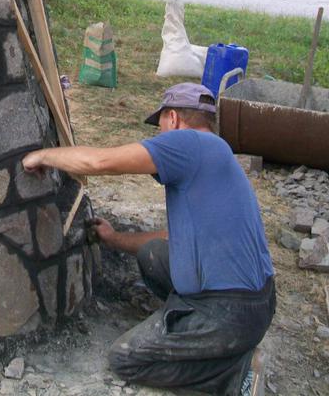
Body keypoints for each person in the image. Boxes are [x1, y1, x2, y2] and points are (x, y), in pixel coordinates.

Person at [22, 82, 275, 396]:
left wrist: (43, 155)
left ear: (173, 119)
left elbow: (99, 163)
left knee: (126, 359)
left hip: (229, 312)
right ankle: (199, 334)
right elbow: (171, 238)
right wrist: (114, 238)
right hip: (256, 304)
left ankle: (236, 374)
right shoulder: (215, 153)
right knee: (153, 253)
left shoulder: (188, 143)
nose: (160, 134)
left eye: (160, 125)